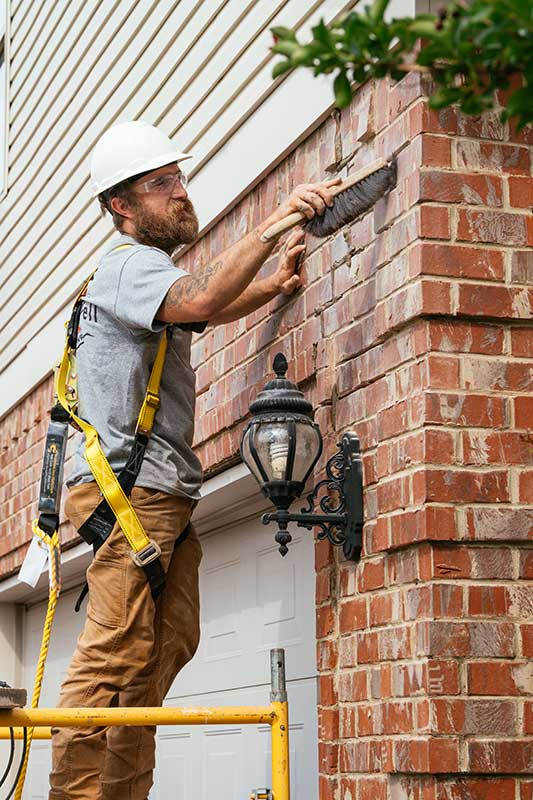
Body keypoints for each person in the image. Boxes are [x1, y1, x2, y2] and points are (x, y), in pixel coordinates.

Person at [48, 119, 338, 799]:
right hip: (132, 492)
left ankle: (121, 791)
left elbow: (197, 310)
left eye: (178, 178)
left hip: (159, 492)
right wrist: (275, 223)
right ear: (122, 206)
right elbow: (200, 296)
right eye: (160, 183)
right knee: (114, 655)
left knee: (165, 645)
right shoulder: (128, 264)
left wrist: (269, 289)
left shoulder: (142, 278)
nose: (180, 192)